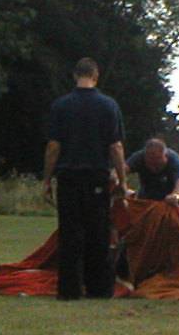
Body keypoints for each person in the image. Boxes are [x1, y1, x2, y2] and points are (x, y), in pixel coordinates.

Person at [43, 57, 125, 299]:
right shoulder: (109, 106)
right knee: (98, 234)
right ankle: (99, 289)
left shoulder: (61, 106)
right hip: (97, 178)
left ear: (74, 75)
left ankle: (69, 290)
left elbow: (53, 147)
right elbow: (116, 147)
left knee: (69, 234)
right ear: (96, 76)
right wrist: (122, 180)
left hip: (68, 178)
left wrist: (47, 180)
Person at [125, 137, 179, 217]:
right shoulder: (138, 158)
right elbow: (119, 172)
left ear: (165, 156)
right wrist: (123, 188)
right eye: (150, 161)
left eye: (158, 161)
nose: (154, 165)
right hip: (147, 205)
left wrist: (176, 195)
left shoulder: (175, 161)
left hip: (175, 206)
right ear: (145, 156)